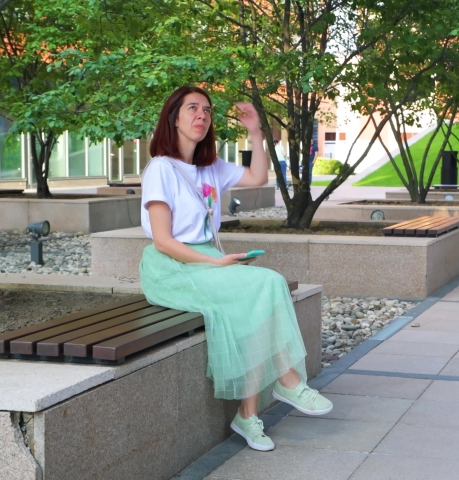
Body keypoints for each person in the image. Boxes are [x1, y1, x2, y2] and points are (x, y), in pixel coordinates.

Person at [139, 85, 332, 452]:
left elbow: (257, 177)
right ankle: (287, 381)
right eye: (192, 108)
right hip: (172, 268)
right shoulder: (161, 169)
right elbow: (163, 241)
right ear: (173, 118)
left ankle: (249, 413)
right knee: (267, 284)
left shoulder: (210, 168)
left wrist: (256, 132)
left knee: (262, 294)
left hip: (206, 261)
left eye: (207, 110)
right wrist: (216, 262)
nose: (202, 115)